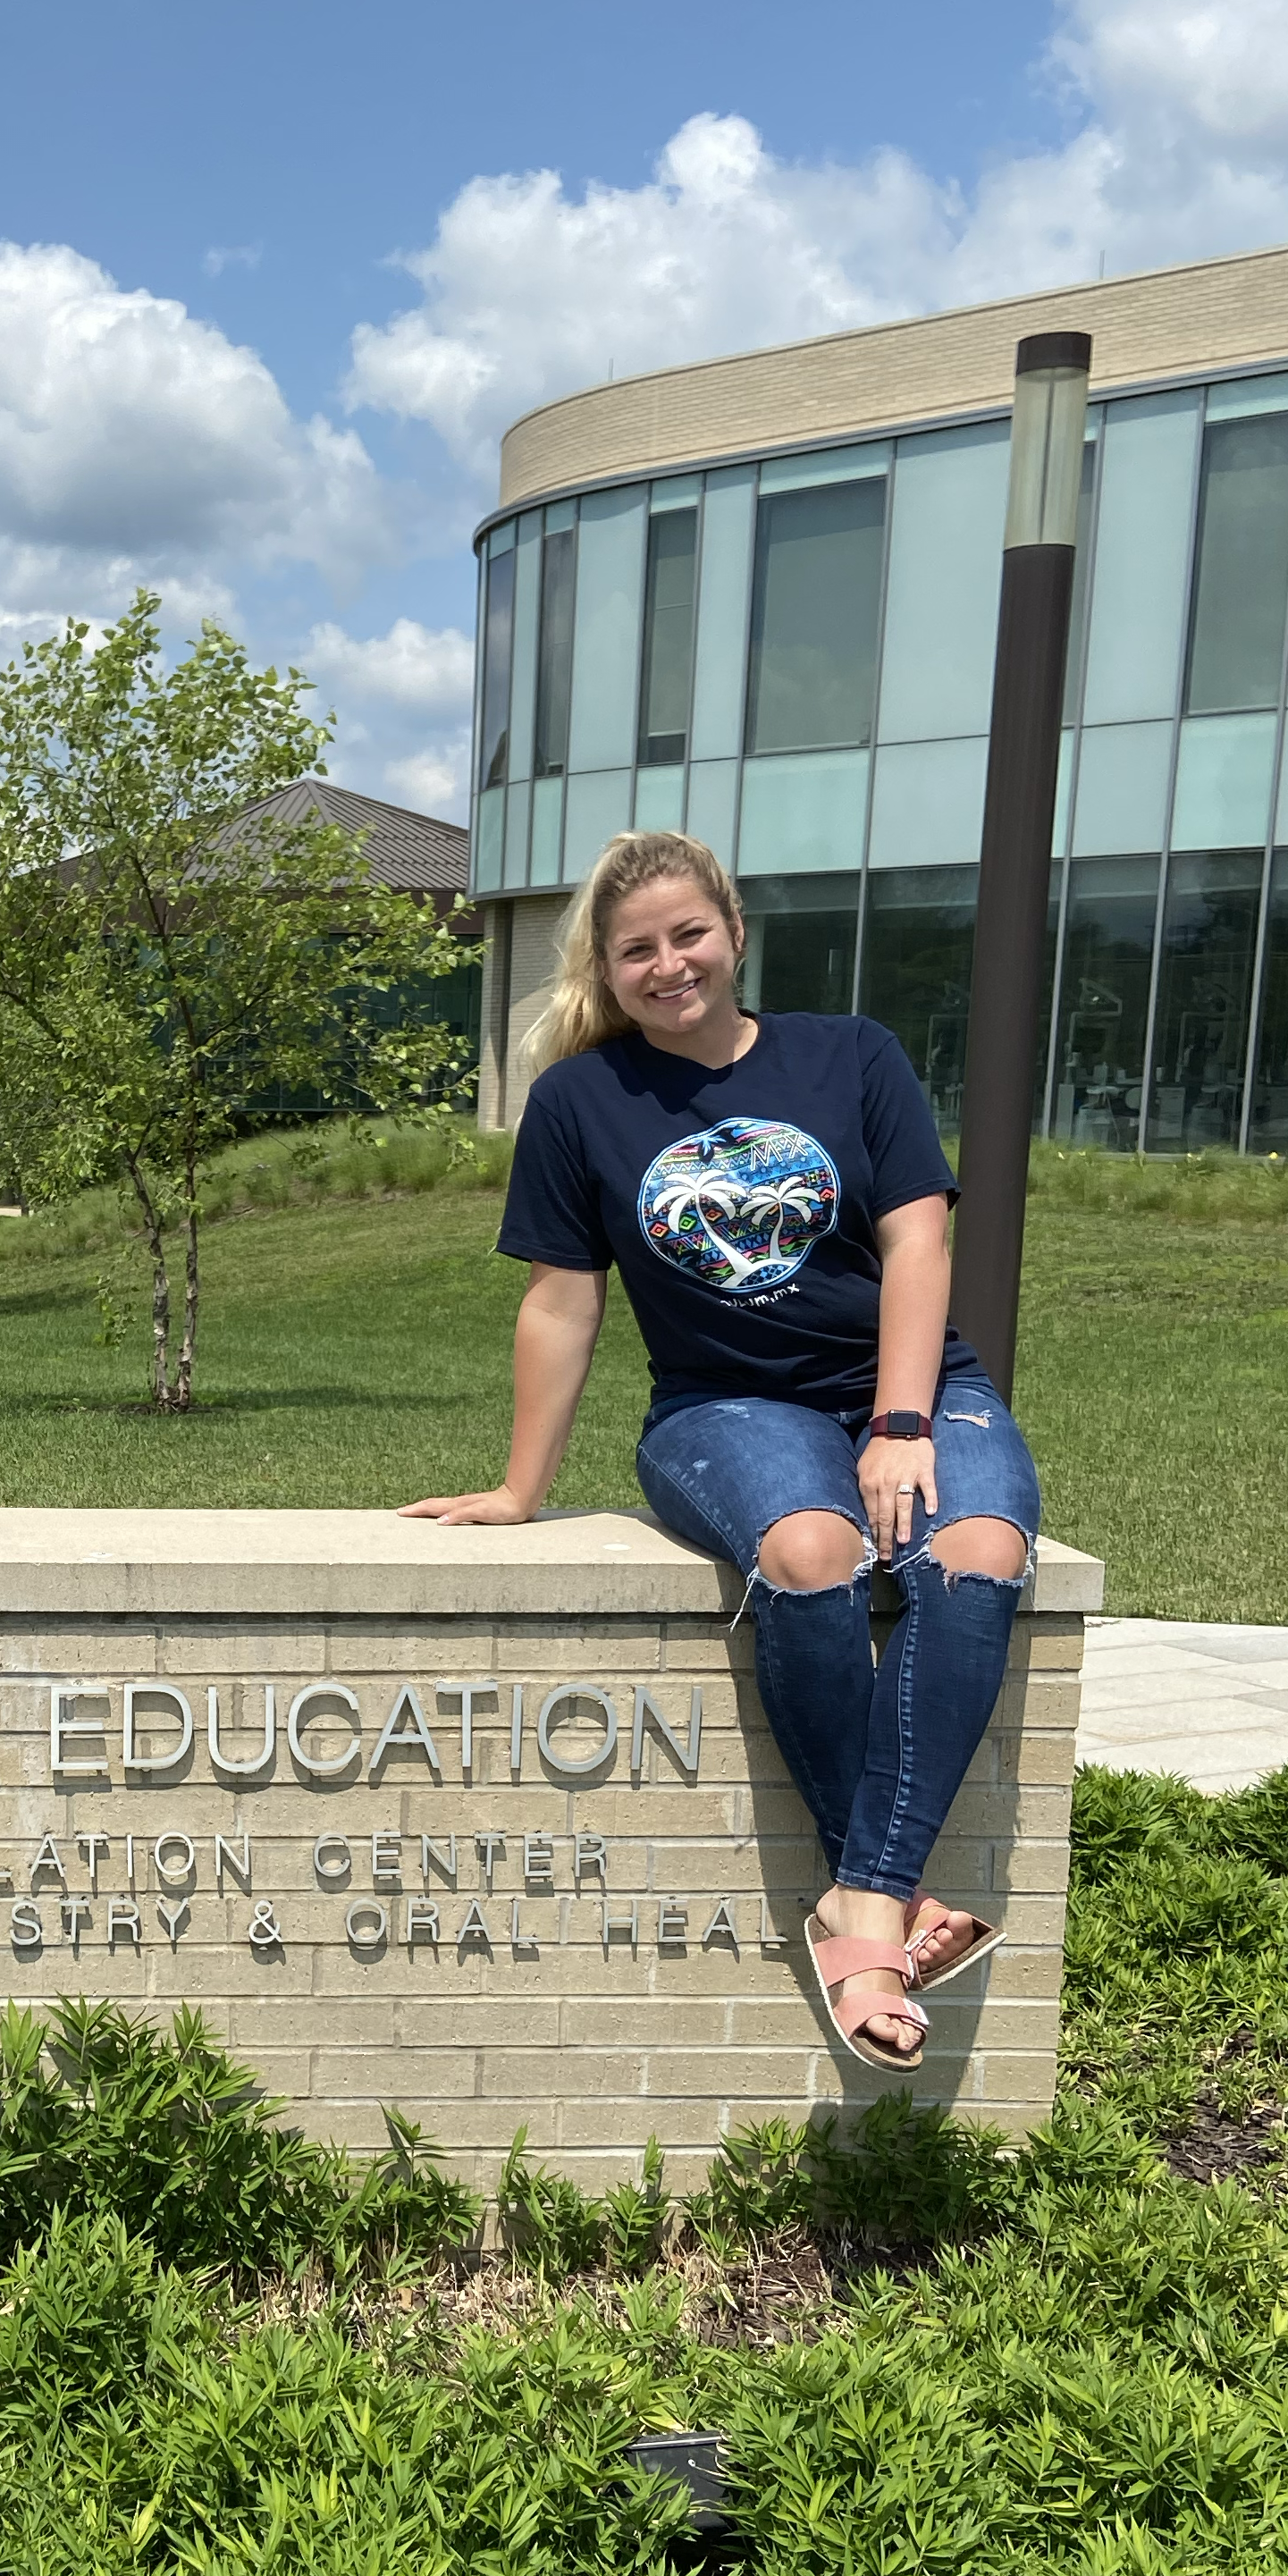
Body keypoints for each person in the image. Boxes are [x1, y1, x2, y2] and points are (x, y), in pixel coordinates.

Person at [403, 830, 1039, 2071]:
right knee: (812, 1552)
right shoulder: (584, 1101)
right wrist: (519, 1488)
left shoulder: (852, 1055)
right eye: (635, 948)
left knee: (974, 1546)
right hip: (721, 1409)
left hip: (911, 1390)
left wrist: (902, 1426)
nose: (667, 963)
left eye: (689, 933)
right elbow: (561, 1299)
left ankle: (860, 1908)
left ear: (734, 934)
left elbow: (918, 1246)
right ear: (607, 965)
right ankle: (895, 1912)